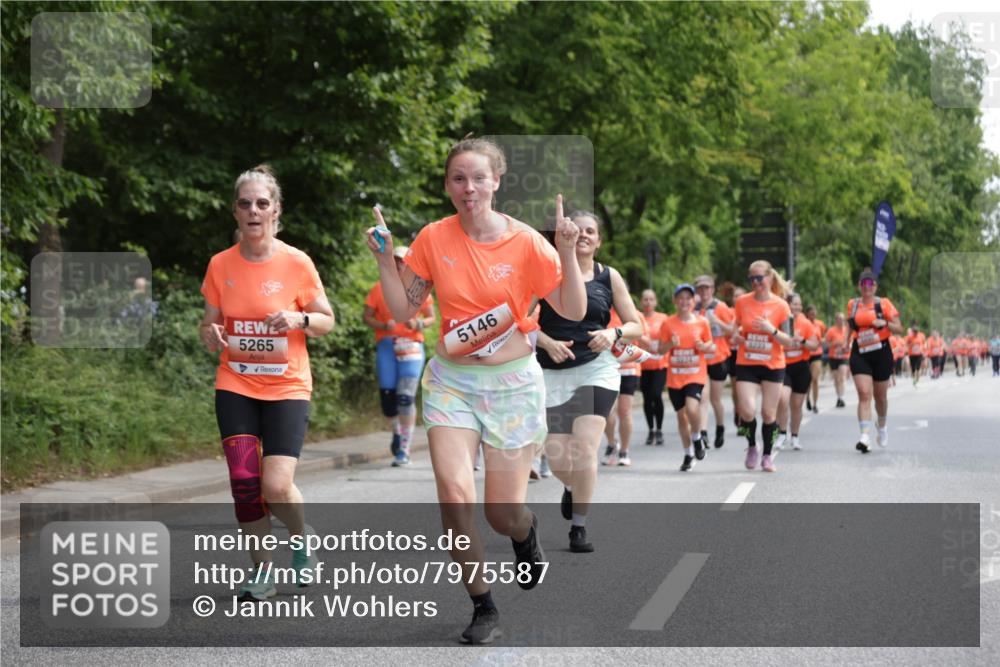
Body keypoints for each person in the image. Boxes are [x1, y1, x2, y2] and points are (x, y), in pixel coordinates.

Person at [365, 136, 586, 645]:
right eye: (458, 179)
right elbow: (403, 310)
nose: (468, 188)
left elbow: (571, 312)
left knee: (501, 512)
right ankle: (483, 605)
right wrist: (384, 260)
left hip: (510, 386)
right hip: (451, 384)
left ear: (497, 182)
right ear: (448, 185)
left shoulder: (527, 241)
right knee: (454, 496)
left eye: (478, 178)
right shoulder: (432, 239)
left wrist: (568, 253)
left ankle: (524, 532)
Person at [199, 165, 335, 600]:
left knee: (275, 486)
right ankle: (262, 571)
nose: (254, 210)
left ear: (275, 210)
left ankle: (300, 537)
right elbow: (209, 324)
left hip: (286, 386)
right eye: (245, 203)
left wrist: (300, 318)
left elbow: (327, 321)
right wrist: (210, 334)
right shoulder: (221, 265)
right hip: (235, 382)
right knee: (243, 481)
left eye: (262, 203)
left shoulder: (296, 262)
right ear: (235, 212)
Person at [535, 211, 643, 552]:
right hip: (552, 372)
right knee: (557, 459)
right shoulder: (545, 274)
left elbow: (637, 324)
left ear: (598, 241)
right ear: (563, 235)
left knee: (585, 448)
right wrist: (546, 341)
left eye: (590, 231)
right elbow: (518, 320)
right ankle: (571, 488)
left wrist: (614, 333)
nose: (583, 235)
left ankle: (578, 528)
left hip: (597, 370)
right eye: (576, 229)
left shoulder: (609, 277)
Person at [363, 245, 436, 465]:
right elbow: (366, 317)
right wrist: (383, 324)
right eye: (395, 260)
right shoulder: (378, 288)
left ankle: (404, 449)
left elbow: (432, 317)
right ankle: (397, 431)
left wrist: (419, 323)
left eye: (403, 261)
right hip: (386, 345)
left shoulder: (419, 288)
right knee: (388, 401)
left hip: (412, 346)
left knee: (405, 396)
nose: (399, 264)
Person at [730, 260, 794, 473]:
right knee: (747, 411)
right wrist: (736, 337)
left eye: (759, 278)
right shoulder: (742, 302)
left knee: (768, 414)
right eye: (752, 279)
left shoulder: (781, 305)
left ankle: (767, 455)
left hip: (772, 364)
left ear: (770, 278)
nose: (756, 282)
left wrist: (771, 330)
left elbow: (789, 340)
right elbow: (734, 330)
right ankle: (751, 446)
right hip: (747, 362)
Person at [846, 267, 903, 453]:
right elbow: (850, 326)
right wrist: (845, 343)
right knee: (864, 393)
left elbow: (899, 328)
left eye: (870, 283)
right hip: (860, 352)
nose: (867, 287)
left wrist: (885, 323)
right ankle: (864, 436)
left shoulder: (884, 304)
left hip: (881, 353)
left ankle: (883, 425)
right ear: (859, 286)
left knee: (880, 396)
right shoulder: (852, 305)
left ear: (875, 286)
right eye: (863, 284)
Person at [659, 283, 715, 471]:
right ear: (675, 301)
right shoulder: (668, 323)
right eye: (680, 298)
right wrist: (670, 345)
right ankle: (688, 454)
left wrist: (704, 347)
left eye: (688, 298)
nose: (684, 301)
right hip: (675, 377)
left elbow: (711, 346)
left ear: (693, 301)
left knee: (692, 409)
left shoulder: (702, 322)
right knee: (681, 418)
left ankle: (697, 437)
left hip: (695, 374)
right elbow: (660, 349)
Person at [693, 275, 736, 449]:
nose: (704, 291)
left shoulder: (721, 307)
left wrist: (716, 321)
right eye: (700, 288)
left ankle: (720, 427)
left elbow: (732, 331)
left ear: (712, 289)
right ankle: (703, 433)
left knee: (715, 400)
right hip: (700, 359)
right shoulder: (693, 309)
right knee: (703, 398)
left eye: (707, 288)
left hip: (718, 358)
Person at [774, 293, 819, 451]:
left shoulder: (805, 323)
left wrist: (803, 341)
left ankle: (795, 437)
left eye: (799, 305)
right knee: (782, 399)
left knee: (797, 405)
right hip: (783, 366)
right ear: (787, 305)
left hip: (801, 367)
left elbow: (815, 346)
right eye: (794, 304)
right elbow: (772, 338)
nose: (797, 307)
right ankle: (781, 434)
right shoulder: (780, 320)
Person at [602, 307, 646, 466]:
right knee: (606, 411)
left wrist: (624, 338)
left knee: (625, 411)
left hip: (628, 369)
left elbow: (643, 337)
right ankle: (612, 443)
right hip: (606, 368)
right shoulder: (601, 310)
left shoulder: (634, 314)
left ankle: (624, 451)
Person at [637, 289, 669, 445]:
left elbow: (670, 338)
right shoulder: (636, 318)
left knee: (656, 395)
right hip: (642, 365)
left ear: (655, 302)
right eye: (645, 299)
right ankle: (651, 430)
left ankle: (660, 429)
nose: (648, 302)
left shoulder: (663, 318)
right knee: (647, 398)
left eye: (651, 299)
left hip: (660, 364)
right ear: (641, 302)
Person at [825, 313, 851, 407]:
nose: (841, 321)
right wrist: (834, 343)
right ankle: (838, 397)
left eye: (842, 319)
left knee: (842, 377)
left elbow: (851, 343)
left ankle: (841, 397)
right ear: (836, 320)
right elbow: (826, 345)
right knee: (836, 379)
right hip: (833, 357)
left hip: (844, 357)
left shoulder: (847, 330)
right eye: (839, 319)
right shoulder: (831, 331)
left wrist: (845, 347)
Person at [804, 305, 825, 412]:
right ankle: (807, 398)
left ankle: (815, 404)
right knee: (807, 379)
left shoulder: (820, 324)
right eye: (811, 314)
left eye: (815, 313)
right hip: (806, 354)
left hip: (817, 353)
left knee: (815, 379)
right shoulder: (804, 323)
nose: (813, 315)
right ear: (807, 314)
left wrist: (821, 341)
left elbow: (823, 336)